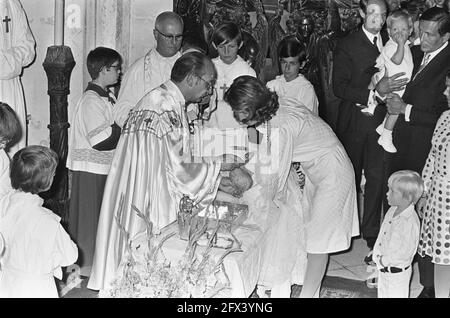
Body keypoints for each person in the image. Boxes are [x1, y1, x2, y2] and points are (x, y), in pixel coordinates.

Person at [88, 52, 222, 291]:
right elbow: (179, 170)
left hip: (136, 189)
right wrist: (219, 165)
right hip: (151, 195)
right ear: (191, 79)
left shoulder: (161, 99)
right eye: (208, 83)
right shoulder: (165, 106)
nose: (210, 90)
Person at [224, 75, 359, 298]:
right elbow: (267, 155)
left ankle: (308, 295)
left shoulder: (281, 126)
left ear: (252, 107)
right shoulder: (275, 106)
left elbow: (271, 180)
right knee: (310, 233)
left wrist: (245, 184)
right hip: (316, 168)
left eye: (238, 111)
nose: (236, 117)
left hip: (333, 172)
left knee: (318, 242)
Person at [382, 6, 450, 298]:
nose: (421, 38)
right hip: (399, 144)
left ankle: (430, 284)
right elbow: (390, 77)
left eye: (430, 35)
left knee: (424, 217)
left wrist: (405, 109)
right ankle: (388, 261)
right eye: (419, 30)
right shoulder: (414, 50)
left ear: (446, 36)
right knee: (397, 206)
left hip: (429, 152)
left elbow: (444, 112)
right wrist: (380, 89)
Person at [333, 0, 398, 263]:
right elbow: (339, 87)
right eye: (372, 13)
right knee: (348, 177)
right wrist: (372, 92)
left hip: (382, 124)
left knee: (377, 178)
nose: (378, 20)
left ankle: (372, 232)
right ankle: (343, 230)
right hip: (355, 123)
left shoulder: (391, 42)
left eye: (382, 15)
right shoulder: (348, 44)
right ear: (361, 14)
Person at [66, 47, 122, 277]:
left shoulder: (105, 96)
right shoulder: (91, 101)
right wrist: (123, 127)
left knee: (100, 219)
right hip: (90, 170)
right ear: (103, 70)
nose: (120, 72)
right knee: (89, 220)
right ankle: (87, 269)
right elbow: (102, 141)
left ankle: (97, 266)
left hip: (102, 168)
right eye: (116, 68)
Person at [0, 146, 78, 297]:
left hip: (7, 282)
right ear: (47, 182)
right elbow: (71, 255)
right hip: (38, 287)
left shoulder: (3, 206)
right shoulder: (48, 220)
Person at [113, 11, 183, 127]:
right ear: (155, 34)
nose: (174, 42)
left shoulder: (191, 66)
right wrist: (144, 124)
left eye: (178, 37)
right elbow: (121, 109)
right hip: (149, 138)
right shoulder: (137, 70)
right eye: (169, 37)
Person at [417, 70, 450, 298]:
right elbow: (432, 157)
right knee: (440, 255)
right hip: (439, 200)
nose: (446, 92)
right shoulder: (445, 117)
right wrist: (424, 192)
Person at [365, 9, 414, 153]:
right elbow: (397, 60)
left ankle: (382, 126)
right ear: (389, 31)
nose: (399, 33)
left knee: (393, 108)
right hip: (395, 83)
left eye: (403, 29)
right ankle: (386, 135)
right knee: (395, 110)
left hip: (397, 81)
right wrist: (400, 45)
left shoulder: (402, 44)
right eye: (395, 29)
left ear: (410, 30)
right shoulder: (394, 45)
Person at [372, 170, 423, 298]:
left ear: (408, 197)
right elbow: (383, 233)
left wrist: (384, 260)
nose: (387, 193)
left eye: (392, 191)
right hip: (384, 270)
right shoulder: (392, 210)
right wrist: (377, 251)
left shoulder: (409, 222)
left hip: (398, 274)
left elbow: (405, 251)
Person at [205, 21, 256, 130]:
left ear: (240, 45)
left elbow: (251, 108)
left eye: (231, 46)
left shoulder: (247, 72)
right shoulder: (208, 67)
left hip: (236, 127)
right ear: (214, 45)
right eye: (221, 47)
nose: (226, 52)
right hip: (211, 125)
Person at [0, 0, 35, 156]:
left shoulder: (11, 3)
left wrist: (6, 62)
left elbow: (28, 49)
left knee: (13, 153)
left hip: (9, 87)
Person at [266, 36, 319, 115]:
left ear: (302, 64)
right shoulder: (272, 85)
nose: (287, 68)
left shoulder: (306, 90)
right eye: (284, 62)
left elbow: (310, 120)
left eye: (292, 63)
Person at [0, 102, 21, 197]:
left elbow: (5, 188)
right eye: (1, 141)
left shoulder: (2, 157)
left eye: (6, 142)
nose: (4, 147)